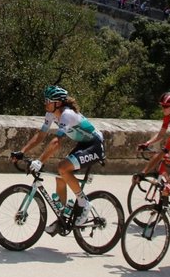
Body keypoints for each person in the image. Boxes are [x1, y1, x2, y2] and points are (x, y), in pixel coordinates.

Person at [13, 85, 105, 235]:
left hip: (95, 144)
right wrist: (21, 152)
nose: (45, 103)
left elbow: (57, 141)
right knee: (60, 177)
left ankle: (84, 203)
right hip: (83, 144)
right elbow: (41, 135)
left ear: (58, 103)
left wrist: (40, 161)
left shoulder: (67, 115)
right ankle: (62, 218)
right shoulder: (51, 114)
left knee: (63, 168)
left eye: (48, 101)